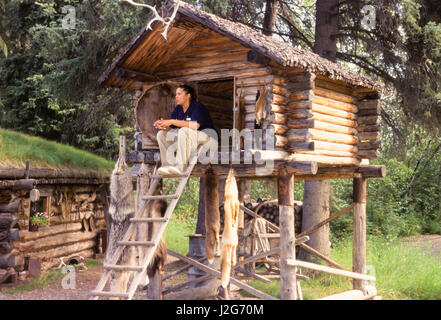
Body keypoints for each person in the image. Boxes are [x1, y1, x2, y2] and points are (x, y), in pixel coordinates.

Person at [154, 85, 217, 175]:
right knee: (162, 134)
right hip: (189, 139)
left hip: (208, 140)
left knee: (184, 130)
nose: (176, 96)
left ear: (188, 95)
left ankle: (180, 167)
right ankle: (167, 166)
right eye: (176, 94)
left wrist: (172, 121)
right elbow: (173, 127)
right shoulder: (178, 109)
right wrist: (163, 125)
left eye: (179, 94)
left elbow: (195, 125)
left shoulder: (197, 106)